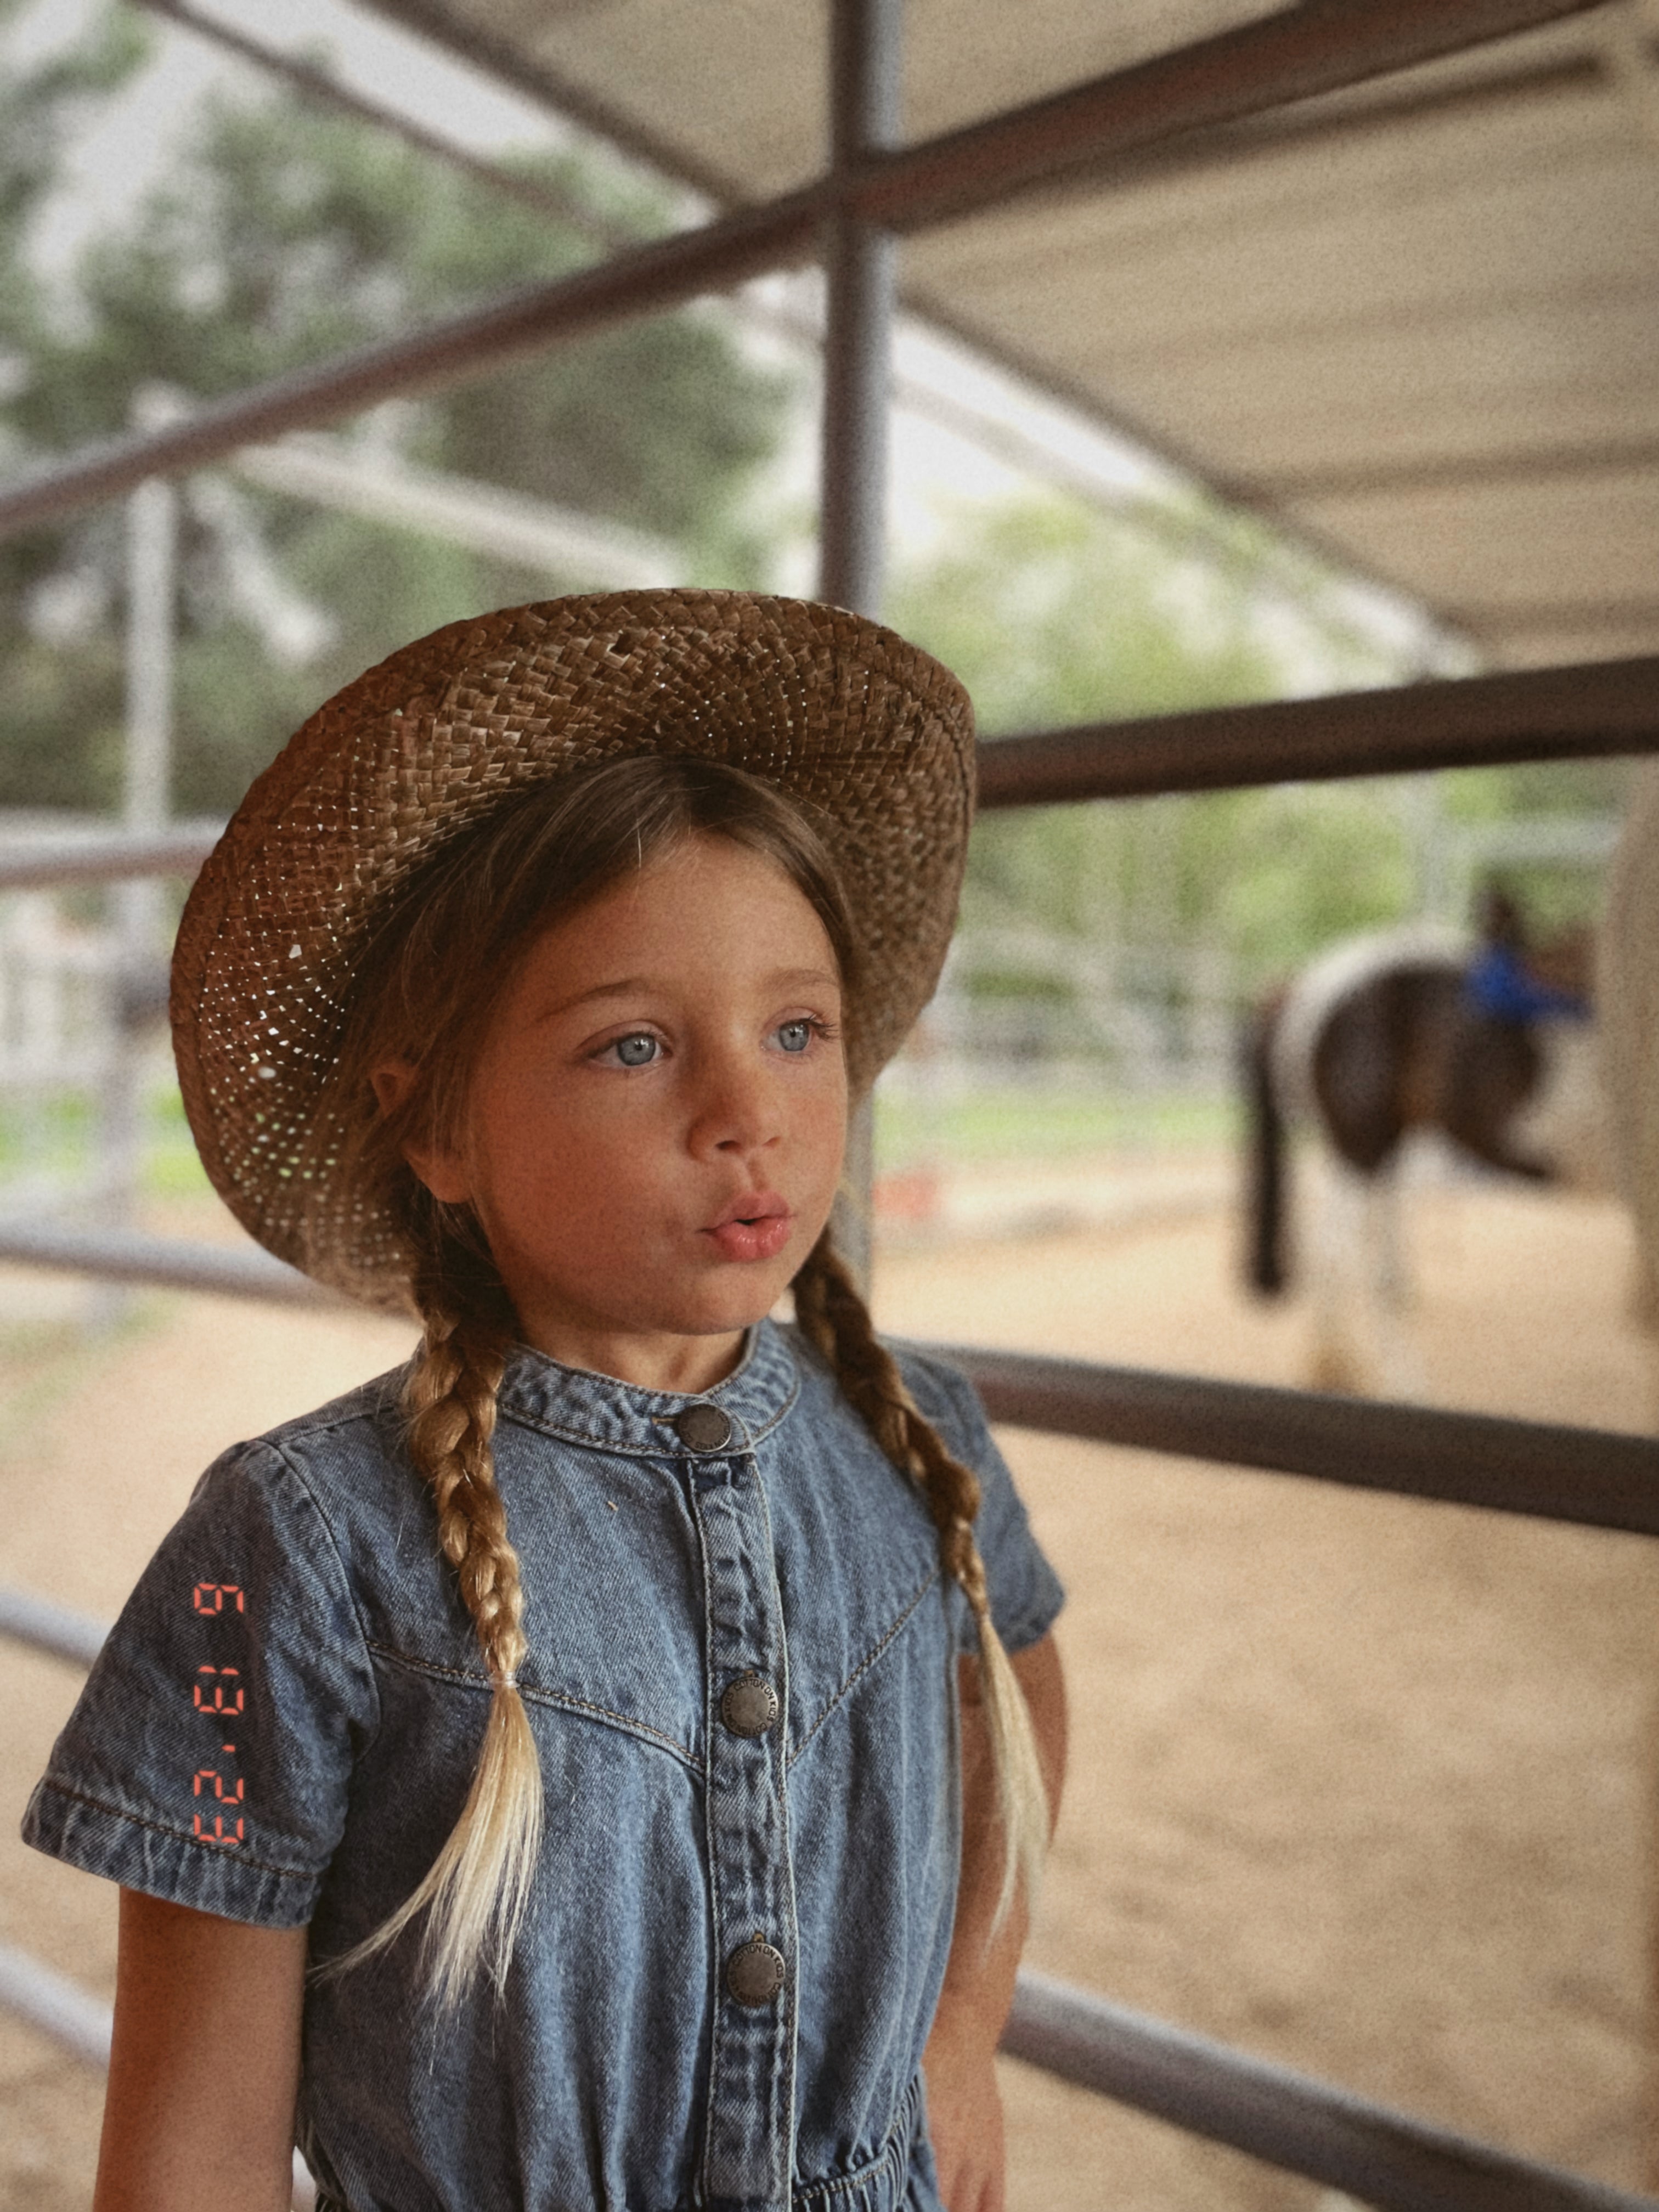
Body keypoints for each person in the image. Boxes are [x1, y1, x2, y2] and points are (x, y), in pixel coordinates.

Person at [20, 591, 1068, 2212]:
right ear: (435, 1129)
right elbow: (195, 2150)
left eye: (796, 1030)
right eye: (635, 1046)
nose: (751, 1115)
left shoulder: (916, 1436)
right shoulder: (301, 1548)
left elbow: (1015, 1705)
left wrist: (962, 2023)